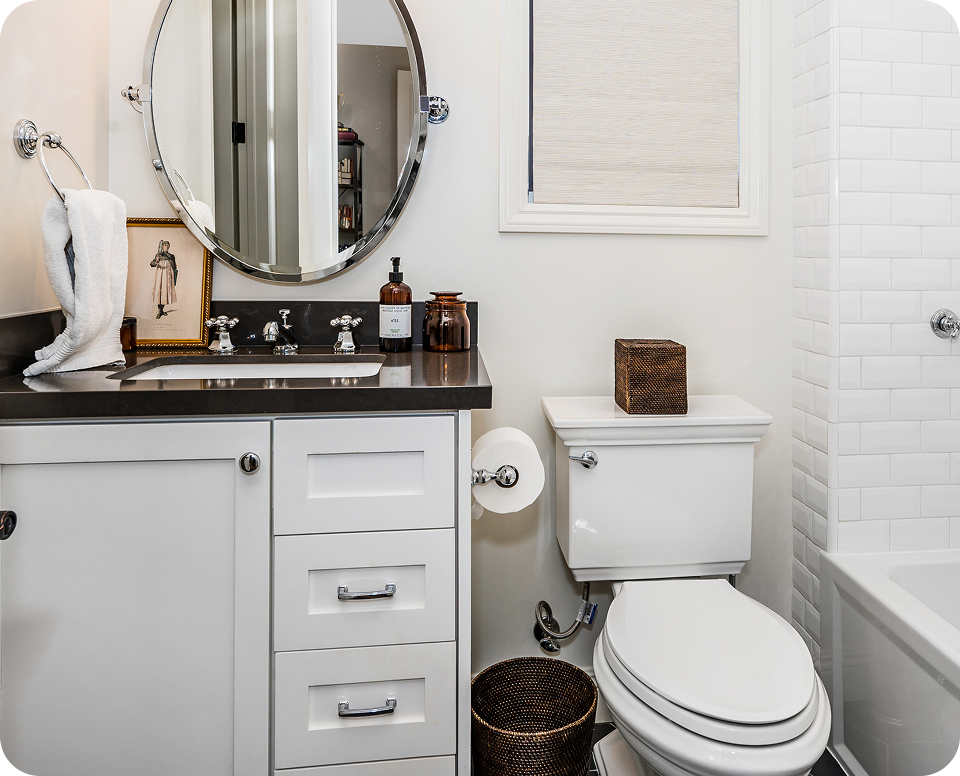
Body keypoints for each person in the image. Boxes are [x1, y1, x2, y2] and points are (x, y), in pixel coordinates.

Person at [150, 240, 177, 318]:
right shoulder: (158, 255)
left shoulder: (171, 256)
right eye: (165, 245)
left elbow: (175, 266)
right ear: (162, 246)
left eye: (168, 245)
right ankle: (159, 311)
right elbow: (152, 263)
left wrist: (174, 276)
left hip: (168, 275)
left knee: (166, 292)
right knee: (160, 291)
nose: (167, 247)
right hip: (160, 275)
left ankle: (162, 310)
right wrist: (156, 262)